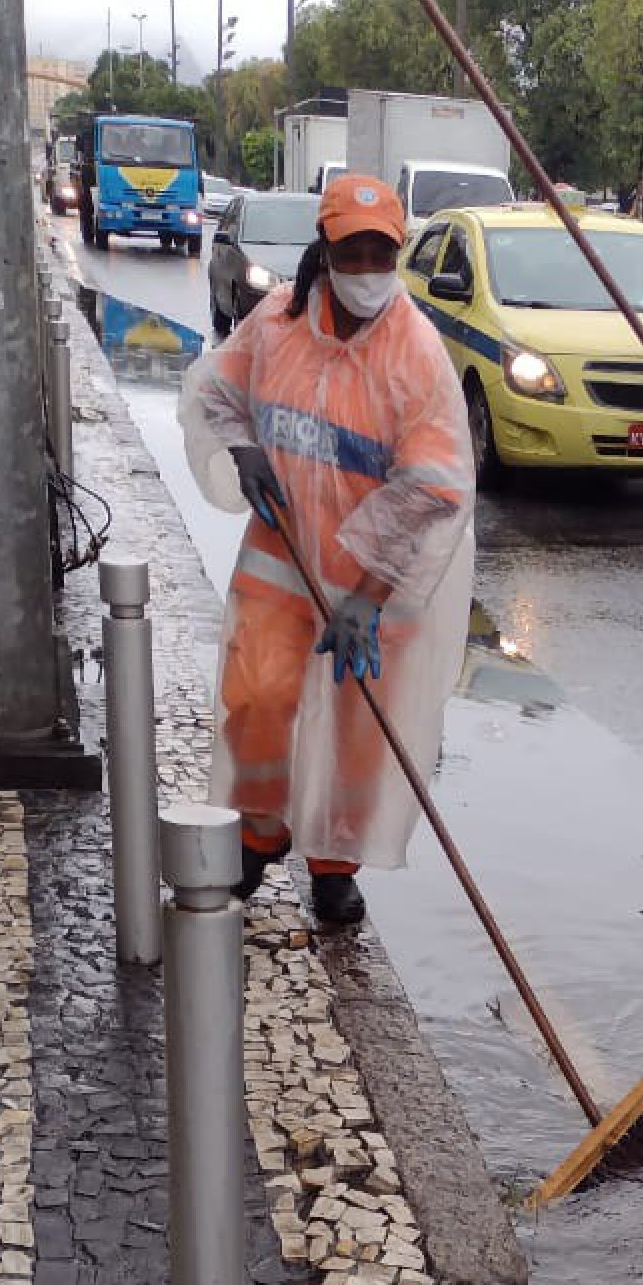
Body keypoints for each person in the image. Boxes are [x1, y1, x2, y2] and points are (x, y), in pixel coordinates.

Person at [179, 173, 475, 925]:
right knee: (256, 698)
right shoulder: (278, 321)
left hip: (373, 586)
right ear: (328, 249)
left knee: (354, 732)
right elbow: (216, 393)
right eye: (355, 250)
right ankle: (257, 834)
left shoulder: (416, 354)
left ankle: (335, 865)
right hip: (280, 559)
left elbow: (434, 490)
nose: (370, 267)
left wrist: (366, 598)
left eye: (384, 252)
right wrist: (243, 450)